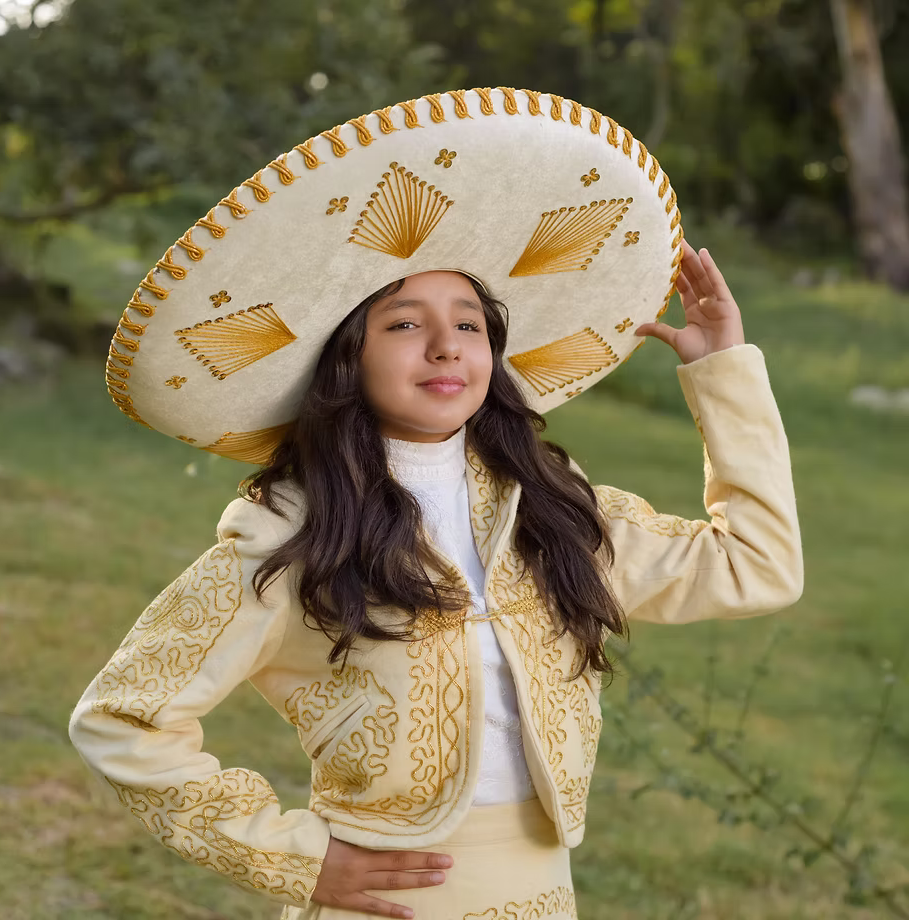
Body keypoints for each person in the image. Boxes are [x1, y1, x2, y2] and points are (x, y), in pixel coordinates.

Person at [70, 88, 803, 920]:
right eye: (404, 324)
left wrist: (724, 374)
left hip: (540, 897)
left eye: (470, 324)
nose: (448, 344)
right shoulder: (292, 529)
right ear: (347, 360)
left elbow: (760, 568)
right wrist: (294, 862)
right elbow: (123, 717)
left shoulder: (555, 513)